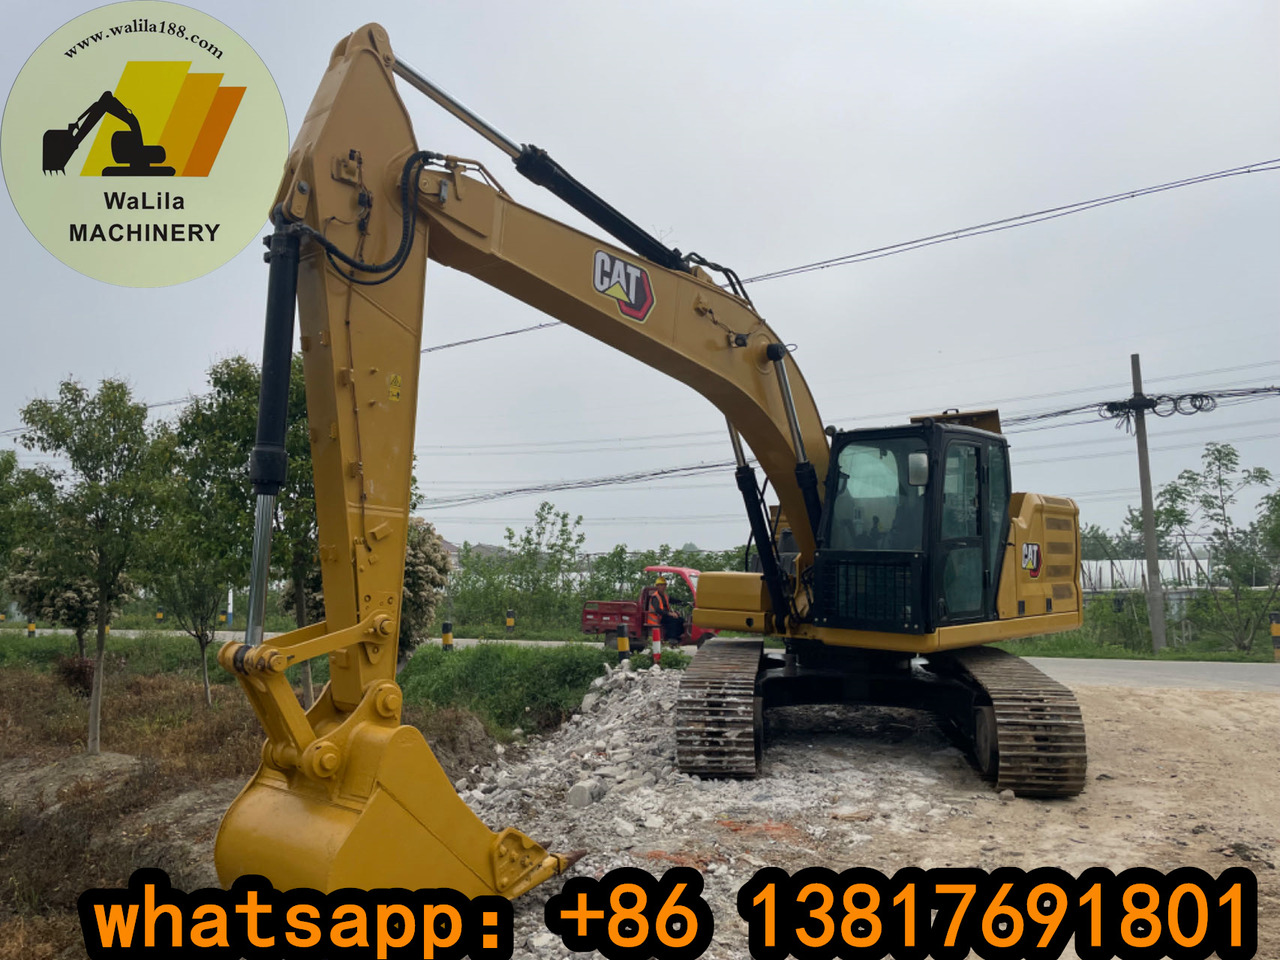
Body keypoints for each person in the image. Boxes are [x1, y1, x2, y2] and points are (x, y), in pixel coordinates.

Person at [645, 577, 672, 664]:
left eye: (664, 585)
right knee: (672, 621)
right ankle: (671, 639)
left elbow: (673, 600)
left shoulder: (665, 596)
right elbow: (658, 610)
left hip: (662, 617)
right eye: (662, 585)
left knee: (678, 619)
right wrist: (669, 614)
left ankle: (673, 639)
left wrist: (684, 602)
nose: (664, 587)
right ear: (657, 586)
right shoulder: (655, 597)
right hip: (656, 619)